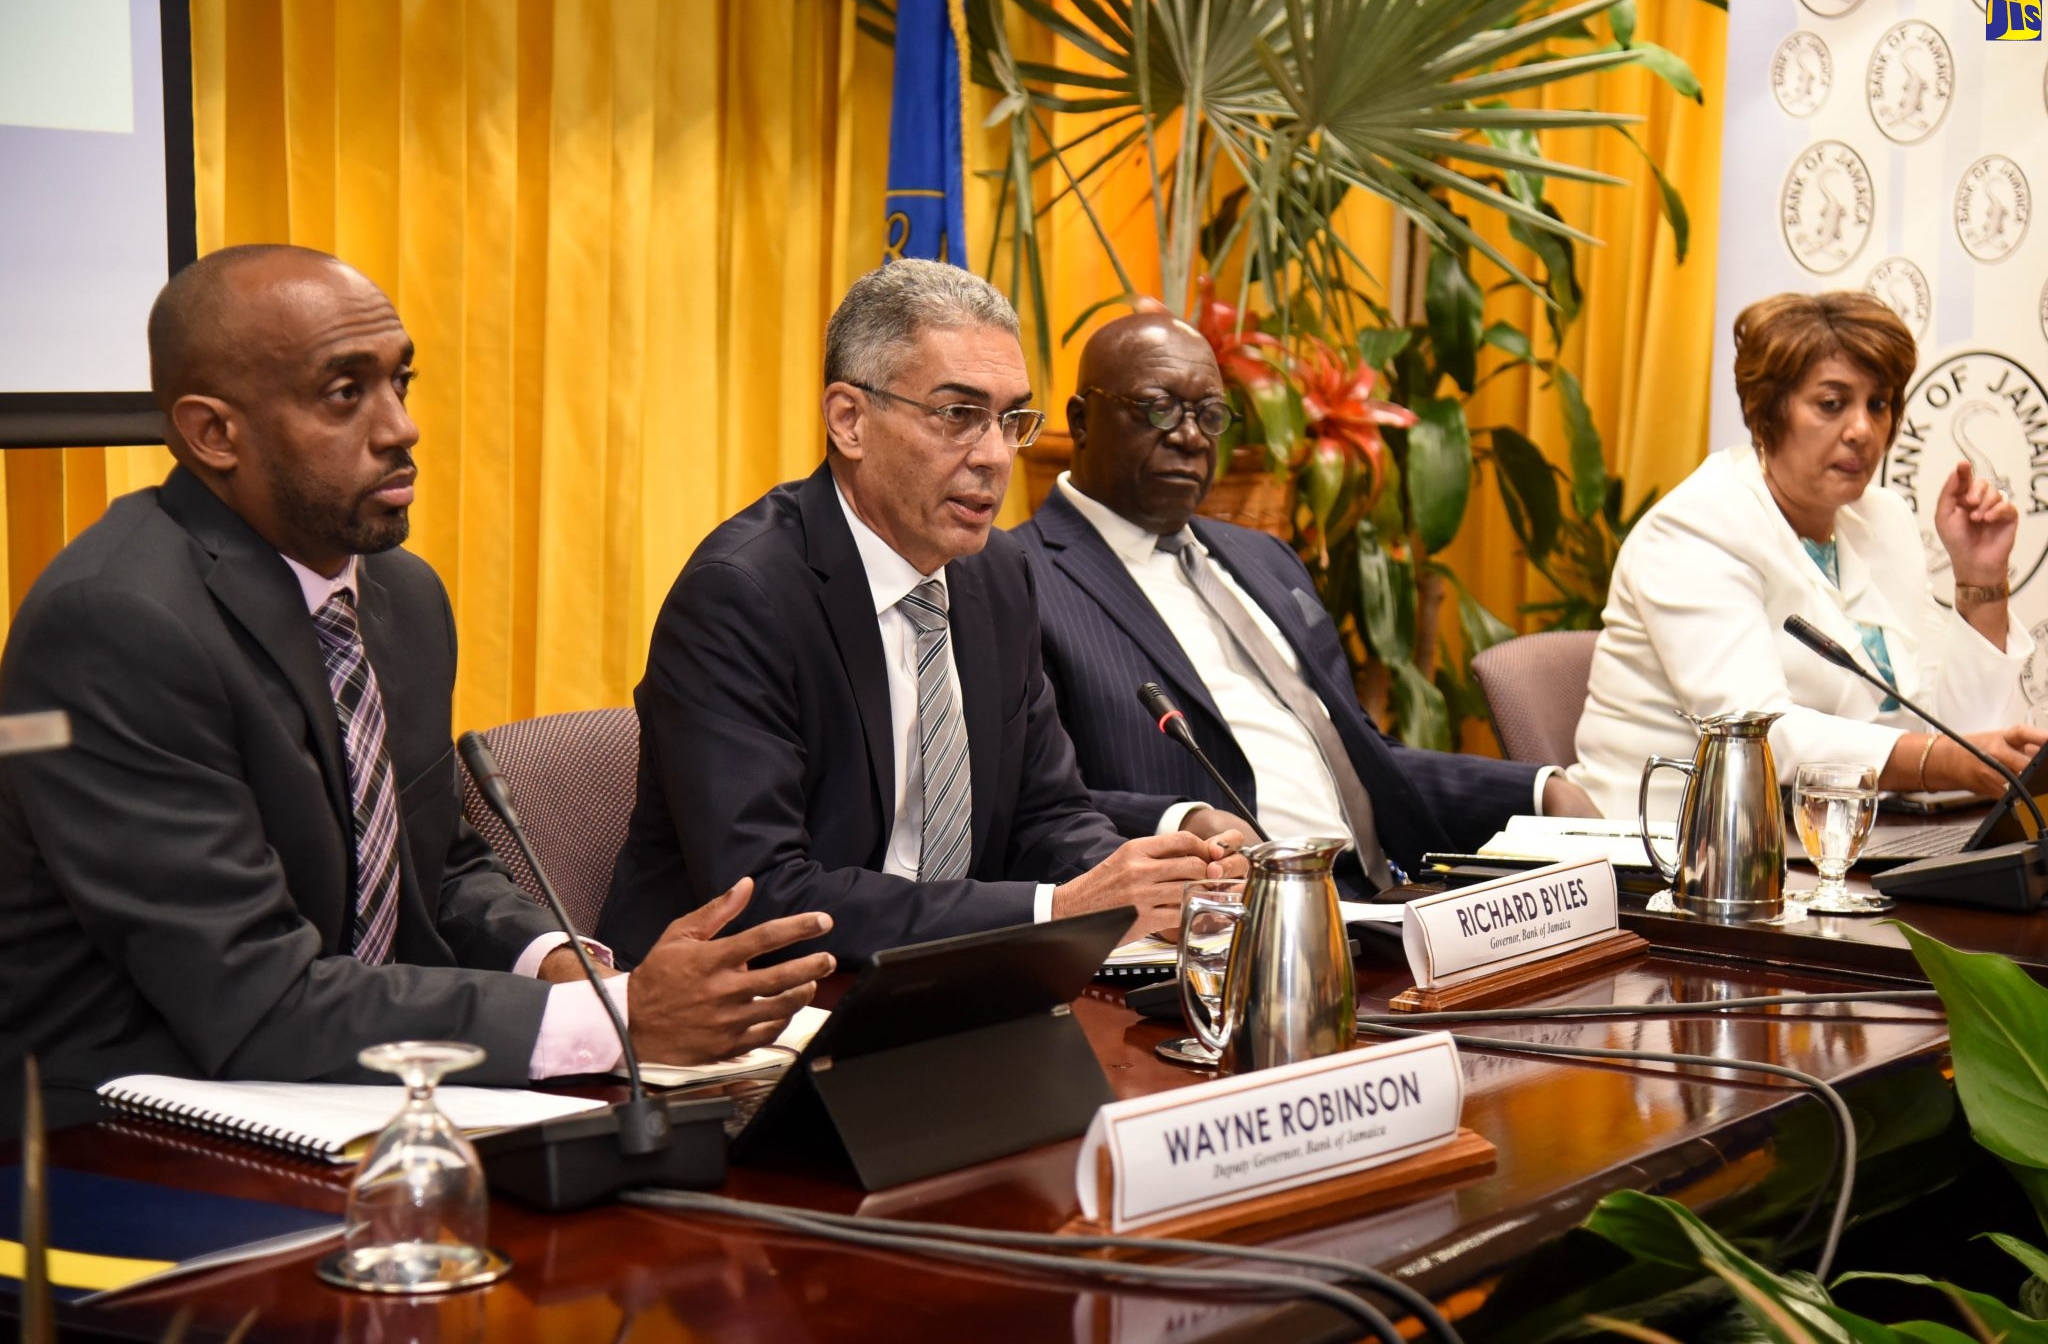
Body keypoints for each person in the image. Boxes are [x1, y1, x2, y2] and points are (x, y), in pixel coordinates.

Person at [0, 245, 834, 1131]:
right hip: (121, 1131)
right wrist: (611, 1023)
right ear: (214, 434)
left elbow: (433, 868)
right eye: (344, 393)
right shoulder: (117, 624)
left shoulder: (401, 595)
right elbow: (249, 995)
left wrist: (564, 967)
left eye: (400, 381)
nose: (401, 427)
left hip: (348, 1085)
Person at [602, 261, 1243, 965]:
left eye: (1011, 420)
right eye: (958, 416)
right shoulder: (741, 596)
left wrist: (1150, 891)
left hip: (950, 983)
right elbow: (767, 896)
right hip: (746, 1001)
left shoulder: (997, 576)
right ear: (849, 421)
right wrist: (1055, 911)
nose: (994, 456)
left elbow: (1046, 814)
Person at [1016, 313, 1596, 899]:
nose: (1190, 437)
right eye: (1159, 409)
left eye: (1209, 415)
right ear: (1082, 421)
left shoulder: (1266, 558)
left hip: (1383, 900)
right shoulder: (1018, 579)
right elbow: (1032, 805)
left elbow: (1362, 758)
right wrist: (1181, 820)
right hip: (1233, 912)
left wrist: (1540, 790)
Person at [1569, 290, 2044, 819]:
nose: (1862, 430)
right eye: (1832, 404)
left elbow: (1966, 747)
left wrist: (1981, 582)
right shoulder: (1693, 530)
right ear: (1768, 412)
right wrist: (1943, 760)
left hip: (1841, 837)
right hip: (1668, 844)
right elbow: (1760, 736)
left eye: (1878, 404)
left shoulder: (1883, 520)